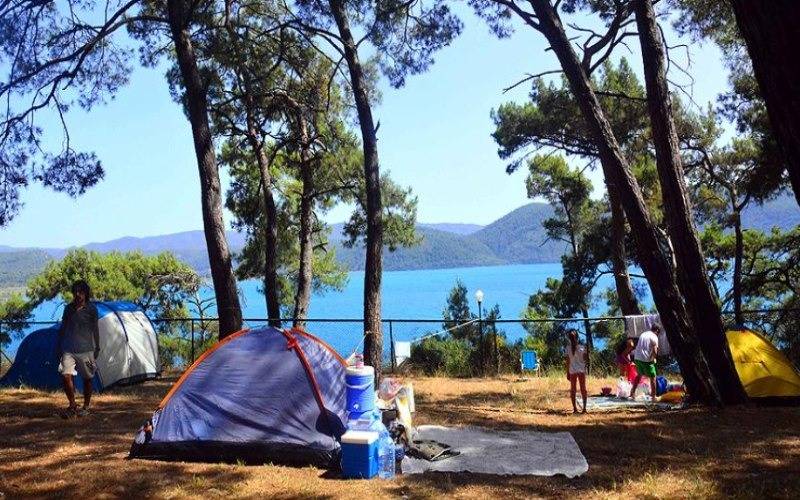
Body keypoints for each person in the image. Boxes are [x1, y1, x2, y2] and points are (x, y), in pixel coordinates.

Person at [57, 280, 100, 418]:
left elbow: (95, 329)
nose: (78, 294)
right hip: (69, 349)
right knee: (66, 375)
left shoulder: (92, 309)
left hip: (86, 349)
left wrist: (97, 346)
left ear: (86, 293)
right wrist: (59, 344)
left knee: (87, 379)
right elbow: (63, 327)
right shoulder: (68, 309)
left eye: (81, 292)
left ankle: (86, 406)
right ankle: (72, 405)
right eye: (75, 291)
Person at [629, 324, 660, 402]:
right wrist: (653, 359)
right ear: (657, 331)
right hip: (645, 359)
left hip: (637, 358)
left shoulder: (644, 334)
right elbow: (655, 351)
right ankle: (653, 397)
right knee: (653, 377)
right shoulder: (654, 336)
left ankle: (632, 393)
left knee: (639, 375)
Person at [565, 329, 588, 414]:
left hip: (572, 370)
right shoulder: (582, 347)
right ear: (577, 337)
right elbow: (585, 360)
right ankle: (584, 408)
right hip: (581, 370)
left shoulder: (567, 348)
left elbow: (568, 362)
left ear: (569, 338)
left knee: (573, 390)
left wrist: (567, 372)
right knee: (583, 389)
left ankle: (575, 409)